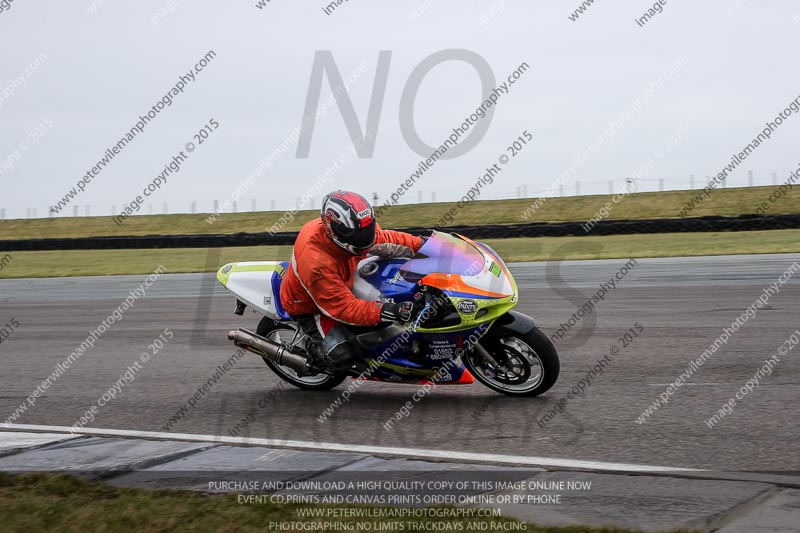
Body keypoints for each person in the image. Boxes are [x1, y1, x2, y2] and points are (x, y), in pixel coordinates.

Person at [279, 190, 425, 373]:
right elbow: (342, 308)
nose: (365, 239)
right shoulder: (317, 262)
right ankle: (312, 359)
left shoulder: (359, 230)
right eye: (358, 234)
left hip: (341, 280)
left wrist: (424, 245)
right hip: (310, 306)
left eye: (367, 229)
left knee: (386, 305)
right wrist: (390, 310)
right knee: (341, 356)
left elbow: (388, 239)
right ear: (334, 230)